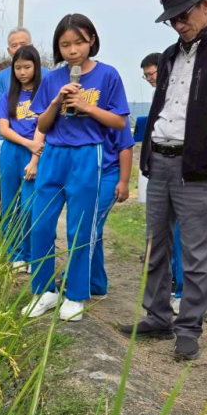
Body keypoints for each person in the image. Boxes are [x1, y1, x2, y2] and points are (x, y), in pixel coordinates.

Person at [120, 0, 207, 361]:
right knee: (155, 245)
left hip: (201, 168)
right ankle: (158, 316)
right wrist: (147, 154)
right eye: (172, 19)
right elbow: (161, 106)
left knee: (196, 252)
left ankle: (189, 327)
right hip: (160, 159)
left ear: (206, 6)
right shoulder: (168, 55)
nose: (179, 24)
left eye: (184, 15)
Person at [23, 14, 129, 322]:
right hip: (53, 154)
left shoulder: (108, 75)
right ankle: (43, 291)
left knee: (80, 228)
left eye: (79, 42)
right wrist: (57, 101)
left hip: (87, 154)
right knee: (40, 223)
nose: (73, 50)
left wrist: (86, 106)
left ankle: (76, 294)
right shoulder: (52, 79)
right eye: (65, 44)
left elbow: (119, 121)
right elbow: (42, 124)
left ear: (92, 40)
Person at [0, 45, 45, 271]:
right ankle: (15, 254)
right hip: (11, 152)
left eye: (27, 67)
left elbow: (45, 126)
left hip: (36, 153)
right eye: (18, 68)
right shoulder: (8, 96)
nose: (22, 72)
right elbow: (3, 128)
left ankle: (32, 254)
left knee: (30, 207)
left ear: (36, 67)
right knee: (10, 205)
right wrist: (27, 143)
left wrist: (34, 154)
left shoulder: (44, 95)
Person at [90, 119, 134, 298]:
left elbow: (126, 146)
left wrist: (124, 181)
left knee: (89, 227)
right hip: (86, 174)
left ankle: (72, 277)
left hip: (109, 174)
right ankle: (96, 283)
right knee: (93, 230)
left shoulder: (116, 114)